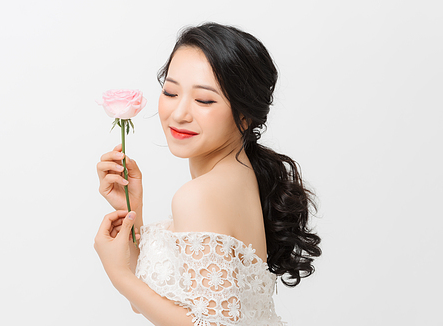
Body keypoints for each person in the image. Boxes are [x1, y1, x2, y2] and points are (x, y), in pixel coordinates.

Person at [94, 22, 321, 326]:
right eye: (171, 92)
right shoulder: (242, 177)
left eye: (204, 100)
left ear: (244, 115)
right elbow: (164, 304)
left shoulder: (200, 195)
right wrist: (132, 211)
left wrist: (118, 275)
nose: (179, 114)